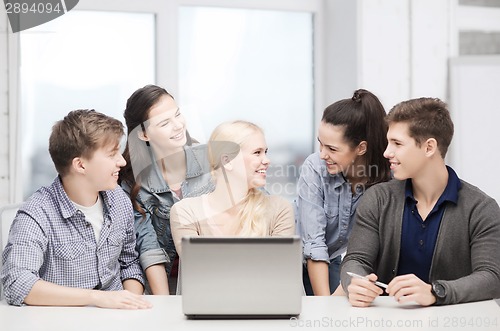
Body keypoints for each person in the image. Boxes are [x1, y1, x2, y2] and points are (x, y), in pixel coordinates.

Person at [340, 97, 500, 307]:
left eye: (397, 143)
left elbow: (492, 278)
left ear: (429, 147)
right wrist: (356, 282)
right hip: (384, 322)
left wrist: (436, 292)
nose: (386, 153)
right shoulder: (378, 199)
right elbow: (354, 261)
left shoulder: (481, 209)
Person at [0, 109, 151, 309]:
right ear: (80, 165)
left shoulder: (119, 201)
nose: (122, 162)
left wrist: (128, 303)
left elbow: (128, 264)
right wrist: (97, 298)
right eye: (112, 154)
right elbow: (17, 283)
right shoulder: (36, 213)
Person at [295, 89, 391, 296]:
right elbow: (314, 244)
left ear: (361, 148)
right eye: (320, 144)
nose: (322, 155)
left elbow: (374, 249)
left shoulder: (388, 181)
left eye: (332, 149)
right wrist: (325, 306)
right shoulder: (315, 167)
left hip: (333, 260)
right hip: (295, 259)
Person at [120, 85, 213, 295]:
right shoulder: (132, 183)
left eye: (177, 114)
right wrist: (164, 305)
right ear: (143, 134)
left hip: (212, 279)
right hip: (164, 285)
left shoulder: (210, 160)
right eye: (164, 123)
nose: (178, 125)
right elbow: (148, 248)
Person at [170, 120, 295, 257]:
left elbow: (279, 270)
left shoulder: (279, 209)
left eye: (265, 152)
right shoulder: (186, 212)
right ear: (227, 161)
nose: (266, 160)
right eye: (257, 152)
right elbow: (200, 270)